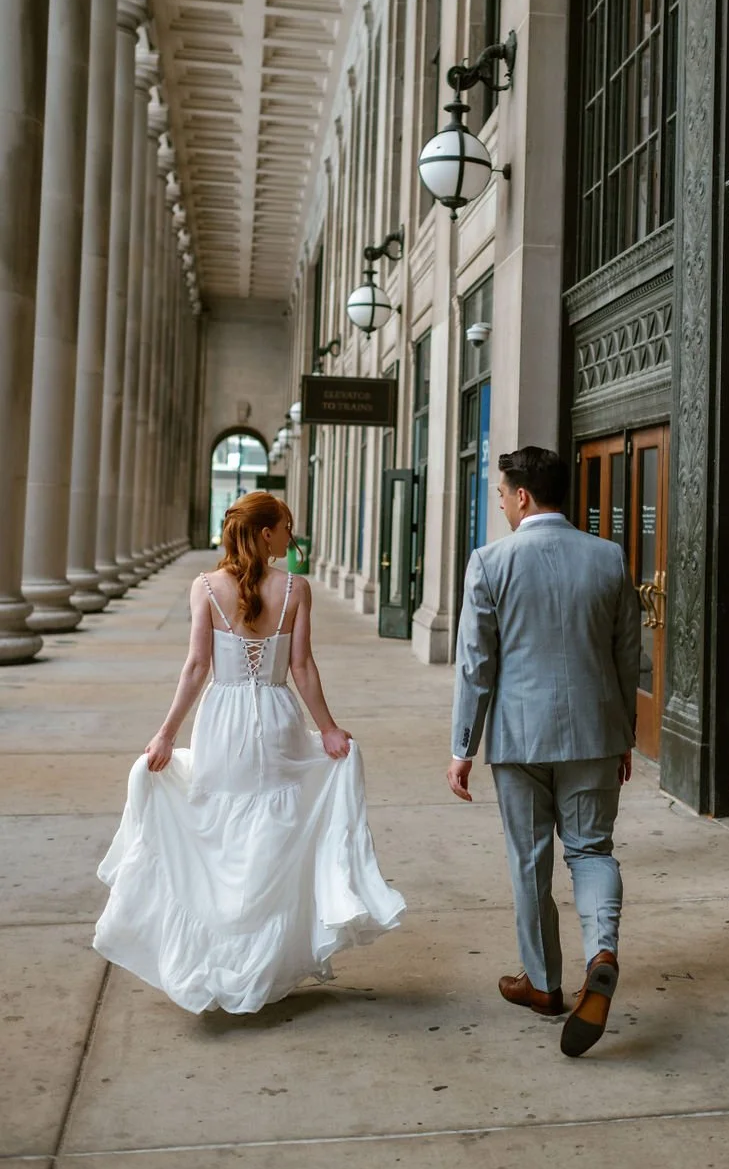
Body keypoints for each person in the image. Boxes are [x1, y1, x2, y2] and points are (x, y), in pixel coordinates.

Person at [94, 492, 404, 1014]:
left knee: (224, 830)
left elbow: (196, 667)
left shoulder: (206, 589)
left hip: (223, 720)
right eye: (286, 526)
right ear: (265, 534)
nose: (292, 536)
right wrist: (326, 729)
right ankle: (259, 964)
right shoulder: (296, 589)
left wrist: (167, 733)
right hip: (278, 718)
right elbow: (301, 667)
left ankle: (222, 958)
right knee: (272, 834)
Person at [447, 446, 640, 1057]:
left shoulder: (489, 561)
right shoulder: (608, 557)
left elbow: (476, 665)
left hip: (518, 735)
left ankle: (544, 984)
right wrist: (624, 735)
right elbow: (628, 655)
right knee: (591, 849)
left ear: (523, 496)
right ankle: (601, 950)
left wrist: (462, 747)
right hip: (594, 732)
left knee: (530, 858)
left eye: (502, 493)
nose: (500, 502)